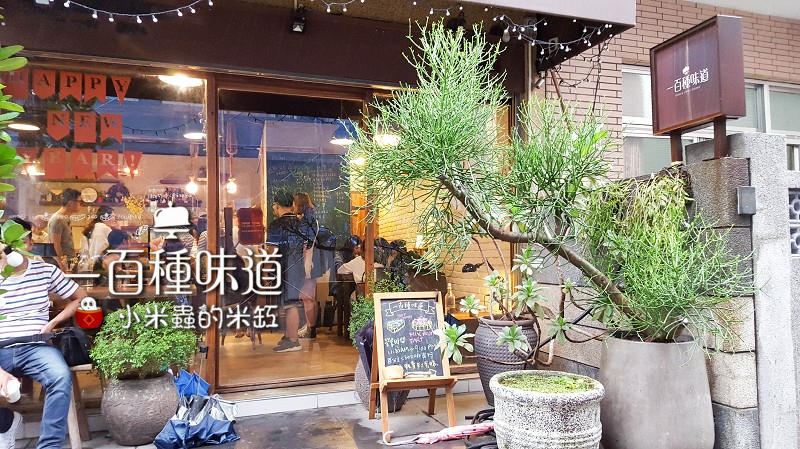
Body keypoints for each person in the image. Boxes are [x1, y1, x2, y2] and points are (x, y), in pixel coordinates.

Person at [0, 234, 91, 449]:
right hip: (1, 346)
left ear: (31, 244)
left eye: (20, 241)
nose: (13, 248)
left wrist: (53, 323)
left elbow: (80, 296)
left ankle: (49, 446)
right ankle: (5, 422)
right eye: (7, 244)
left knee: (59, 376)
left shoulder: (45, 271)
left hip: (36, 346)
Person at [266, 190, 307, 353]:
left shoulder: (276, 225)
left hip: (283, 268)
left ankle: (293, 341)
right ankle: (289, 335)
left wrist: (265, 272)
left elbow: (272, 251)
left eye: (274, 205)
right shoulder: (301, 223)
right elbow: (305, 248)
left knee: (290, 305)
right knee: (291, 303)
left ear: (276, 205)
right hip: (298, 268)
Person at [294, 192, 320, 340]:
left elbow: (304, 244)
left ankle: (311, 329)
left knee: (307, 298)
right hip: (312, 261)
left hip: (306, 262)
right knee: (310, 298)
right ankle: (311, 327)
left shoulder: (304, 221)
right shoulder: (312, 218)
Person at [47, 188, 81, 272]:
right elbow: (55, 245)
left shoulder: (64, 218)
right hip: (63, 264)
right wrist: (62, 265)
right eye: (79, 201)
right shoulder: (57, 220)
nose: (81, 204)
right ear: (70, 203)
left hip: (69, 262)